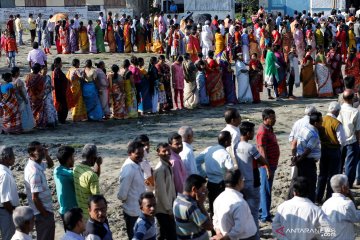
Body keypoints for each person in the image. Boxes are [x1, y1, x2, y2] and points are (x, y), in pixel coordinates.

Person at [236, 122, 270, 238]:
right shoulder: (250, 147)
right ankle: (255, 236)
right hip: (252, 181)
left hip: (240, 182)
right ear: (248, 133)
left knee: (243, 211)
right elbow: (262, 160)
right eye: (252, 131)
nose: (254, 134)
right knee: (254, 212)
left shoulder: (236, 146)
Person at [196, 131, 234, 217]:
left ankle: (213, 228)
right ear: (226, 142)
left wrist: (203, 174)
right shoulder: (225, 154)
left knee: (213, 207)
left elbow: (197, 162)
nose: (231, 141)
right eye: (230, 140)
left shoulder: (209, 149)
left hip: (210, 183)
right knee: (223, 208)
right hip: (221, 184)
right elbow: (231, 171)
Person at [212, 169, 257, 240]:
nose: (244, 180)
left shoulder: (218, 199)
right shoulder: (240, 203)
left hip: (226, 235)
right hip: (245, 237)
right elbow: (239, 228)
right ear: (239, 182)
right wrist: (226, 237)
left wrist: (219, 233)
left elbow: (215, 219)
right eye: (242, 179)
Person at [24, 141, 55, 240]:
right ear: (31, 153)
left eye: (42, 149)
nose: (42, 152)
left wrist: (46, 155)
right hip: (42, 212)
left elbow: (50, 164)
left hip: (43, 211)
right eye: (39, 150)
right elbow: (35, 198)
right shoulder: (34, 172)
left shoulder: (37, 164)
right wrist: (45, 215)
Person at [316, 102, 345, 203]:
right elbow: (342, 141)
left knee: (322, 175)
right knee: (332, 176)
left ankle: (318, 197)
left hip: (323, 149)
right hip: (334, 150)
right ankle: (329, 197)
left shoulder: (321, 120)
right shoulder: (336, 123)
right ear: (337, 111)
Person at [290, 112, 323, 202]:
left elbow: (294, 142)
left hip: (300, 159)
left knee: (299, 182)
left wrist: (294, 157)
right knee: (310, 184)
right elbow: (307, 150)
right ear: (316, 123)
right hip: (307, 162)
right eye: (321, 121)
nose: (322, 123)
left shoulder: (304, 128)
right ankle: (310, 202)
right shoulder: (314, 135)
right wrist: (298, 160)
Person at [117, 141, 146, 239]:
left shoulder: (136, 163)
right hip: (132, 212)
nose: (141, 156)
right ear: (130, 153)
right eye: (138, 154)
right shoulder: (129, 169)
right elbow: (121, 195)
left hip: (138, 210)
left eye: (142, 154)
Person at [257, 108, 280, 223]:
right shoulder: (262, 132)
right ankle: (265, 215)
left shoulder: (269, 128)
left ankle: (263, 211)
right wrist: (267, 168)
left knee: (266, 189)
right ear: (265, 119)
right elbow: (262, 152)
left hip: (271, 164)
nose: (275, 119)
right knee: (266, 190)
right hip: (267, 165)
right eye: (272, 118)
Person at [173, 174, 213, 239]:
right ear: (194, 189)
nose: (205, 192)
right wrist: (201, 204)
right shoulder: (191, 207)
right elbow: (210, 226)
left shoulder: (177, 200)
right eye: (203, 189)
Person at [322, 174, 360, 240]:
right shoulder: (347, 204)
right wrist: (352, 198)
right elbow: (356, 218)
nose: (349, 187)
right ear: (343, 187)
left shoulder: (326, 203)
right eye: (348, 184)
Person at [153, 143, 177, 240]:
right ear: (158, 153)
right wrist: (169, 210)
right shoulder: (160, 169)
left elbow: (170, 188)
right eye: (164, 151)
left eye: (168, 150)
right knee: (167, 235)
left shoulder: (167, 165)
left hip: (168, 207)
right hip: (163, 209)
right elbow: (161, 193)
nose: (167, 153)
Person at [337, 89, 360, 188]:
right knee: (350, 165)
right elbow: (357, 129)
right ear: (352, 99)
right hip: (352, 140)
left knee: (340, 163)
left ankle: (338, 184)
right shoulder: (355, 111)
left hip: (340, 140)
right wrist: (358, 141)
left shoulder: (338, 109)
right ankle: (348, 185)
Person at [73, 144, 102, 219]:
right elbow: (97, 200)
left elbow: (92, 178)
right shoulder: (92, 176)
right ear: (93, 157)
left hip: (82, 213)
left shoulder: (76, 169)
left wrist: (98, 164)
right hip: (91, 216)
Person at [53, 146, 78, 229]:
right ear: (69, 159)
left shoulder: (56, 170)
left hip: (63, 210)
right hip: (72, 210)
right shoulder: (71, 174)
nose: (74, 159)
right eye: (73, 157)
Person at [0, 146, 19, 240]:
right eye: (13, 156)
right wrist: (14, 213)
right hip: (6, 211)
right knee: (9, 237)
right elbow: (5, 200)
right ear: (6, 158)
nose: (14, 158)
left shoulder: (3, 171)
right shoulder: (4, 174)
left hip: (3, 210)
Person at [11, 67, 35, 132]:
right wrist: (24, 99)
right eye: (18, 71)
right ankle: (25, 127)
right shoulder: (18, 81)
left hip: (16, 99)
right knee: (24, 113)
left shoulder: (11, 80)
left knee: (19, 113)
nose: (19, 72)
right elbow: (20, 91)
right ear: (16, 73)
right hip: (21, 99)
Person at [52, 57, 73, 124]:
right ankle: (61, 120)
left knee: (62, 106)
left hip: (60, 92)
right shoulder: (57, 71)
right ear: (58, 63)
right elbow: (57, 82)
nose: (62, 64)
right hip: (60, 92)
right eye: (61, 62)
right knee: (62, 107)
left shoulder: (56, 71)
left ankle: (62, 119)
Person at [25, 64, 46, 128]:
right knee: (39, 110)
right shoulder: (40, 78)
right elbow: (42, 87)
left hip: (30, 96)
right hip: (38, 96)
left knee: (32, 110)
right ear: (39, 70)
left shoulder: (28, 76)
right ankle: (38, 123)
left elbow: (26, 85)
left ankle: (32, 123)